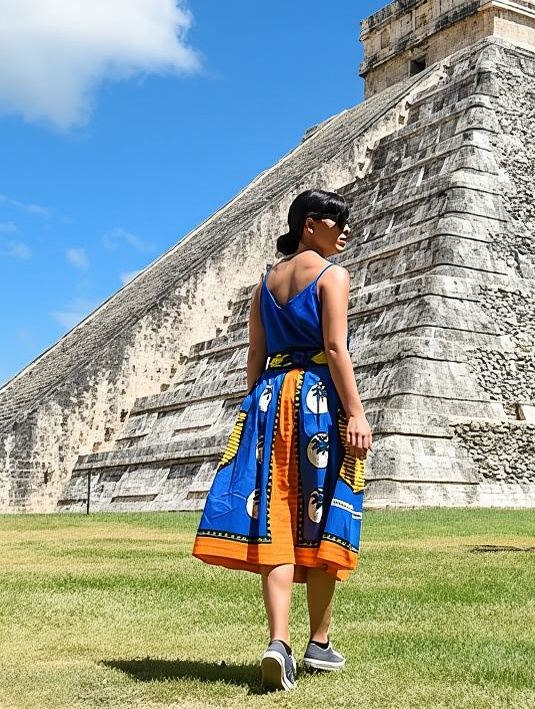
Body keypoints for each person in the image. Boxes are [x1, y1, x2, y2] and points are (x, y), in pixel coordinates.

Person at [192, 188, 372, 692]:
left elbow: (256, 353)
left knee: (276, 516)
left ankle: (280, 642)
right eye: (337, 222)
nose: (345, 231)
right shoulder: (333, 276)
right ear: (310, 224)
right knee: (323, 513)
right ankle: (319, 641)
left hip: (269, 400)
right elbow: (334, 347)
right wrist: (356, 412)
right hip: (316, 401)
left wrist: (254, 408)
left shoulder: (264, 284)